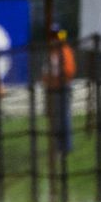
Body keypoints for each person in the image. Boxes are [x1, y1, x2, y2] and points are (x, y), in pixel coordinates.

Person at [44, 25, 76, 154]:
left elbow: (69, 71)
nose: (55, 38)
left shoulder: (65, 51)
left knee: (64, 118)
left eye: (58, 35)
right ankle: (58, 146)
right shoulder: (52, 52)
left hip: (62, 88)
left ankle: (65, 147)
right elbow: (46, 72)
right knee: (55, 119)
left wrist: (56, 80)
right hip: (53, 89)